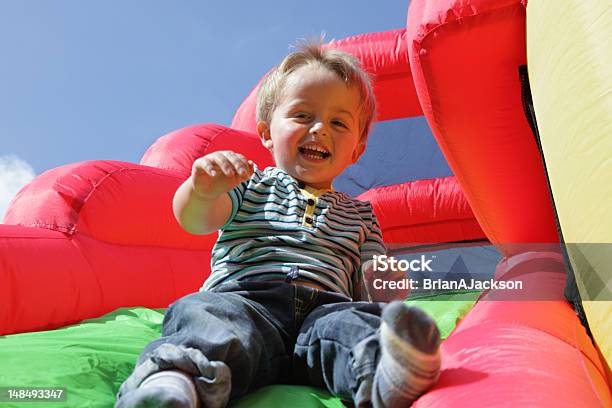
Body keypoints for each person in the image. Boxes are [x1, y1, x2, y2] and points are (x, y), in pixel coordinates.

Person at [115, 42, 441, 408]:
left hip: (325, 310)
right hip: (247, 299)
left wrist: (384, 282)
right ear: (267, 132)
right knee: (206, 316)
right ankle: (174, 383)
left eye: (338, 122)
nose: (319, 129)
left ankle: (386, 370)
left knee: (356, 324)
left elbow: (370, 277)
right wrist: (202, 190)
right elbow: (194, 219)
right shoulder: (250, 182)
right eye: (303, 116)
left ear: (356, 149)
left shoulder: (361, 215)